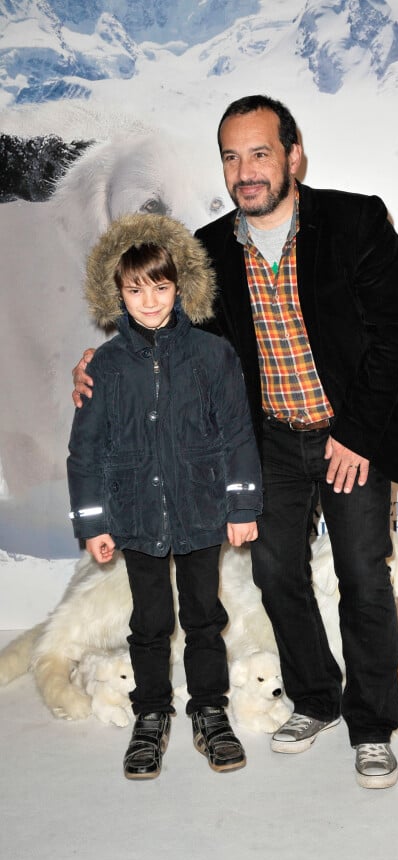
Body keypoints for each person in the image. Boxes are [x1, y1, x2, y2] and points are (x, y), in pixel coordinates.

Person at [73, 95, 398, 789]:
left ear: (293, 156)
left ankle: (371, 725)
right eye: (230, 155)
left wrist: (356, 433)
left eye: (259, 153)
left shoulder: (354, 219)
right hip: (269, 441)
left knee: (365, 576)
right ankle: (315, 699)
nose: (244, 170)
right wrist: (95, 361)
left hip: (351, 435)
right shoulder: (208, 249)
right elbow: (164, 328)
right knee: (277, 573)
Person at [68, 212, 262, 781]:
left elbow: (236, 434)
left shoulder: (212, 355)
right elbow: (85, 451)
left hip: (201, 513)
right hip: (136, 516)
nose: (149, 300)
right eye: (135, 288)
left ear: (180, 286)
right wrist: (94, 521)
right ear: (117, 292)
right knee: (150, 623)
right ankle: (151, 715)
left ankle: (209, 710)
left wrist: (243, 505)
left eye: (160, 286)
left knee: (204, 617)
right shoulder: (104, 366)